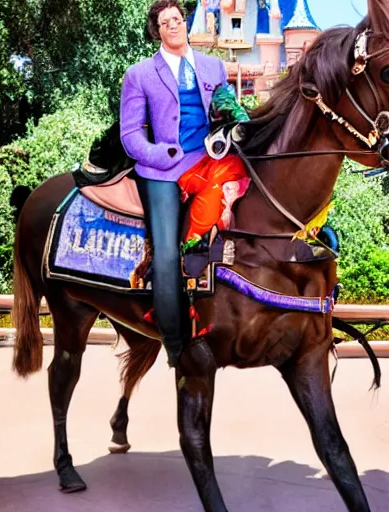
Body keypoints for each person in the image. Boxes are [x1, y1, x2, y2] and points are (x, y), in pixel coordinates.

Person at [120, 0, 247, 367]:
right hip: (162, 169)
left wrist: (233, 115)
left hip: (210, 160)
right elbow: (131, 135)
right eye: (165, 22)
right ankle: (177, 349)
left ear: (185, 23)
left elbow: (224, 113)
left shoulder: (213, 66)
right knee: (166, 254)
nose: (174, 25)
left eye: (178, 19)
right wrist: (164, 155)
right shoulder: (140, 74)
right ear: (157, 31)